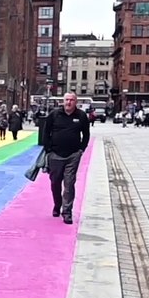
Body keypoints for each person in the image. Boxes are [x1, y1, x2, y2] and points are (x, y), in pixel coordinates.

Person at [40, 92, 89, 225]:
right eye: (67, 100)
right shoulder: (54, 115)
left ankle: (67, 212)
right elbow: (46, 132)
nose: (69, 102)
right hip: (55, 154)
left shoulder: (81, 116)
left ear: (76, 102)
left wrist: (81, 150)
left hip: (73, 155)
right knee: (55, 182)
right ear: (63, 101)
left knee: (69, 183)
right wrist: (48, 149)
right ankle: (57, 204)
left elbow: (86, 134)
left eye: (72, 100)